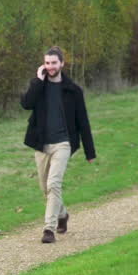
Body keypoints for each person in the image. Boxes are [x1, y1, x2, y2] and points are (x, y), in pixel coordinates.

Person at [20, 46, 96, 244]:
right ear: (43, 65)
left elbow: (83, 122)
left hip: (63, 143)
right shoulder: (38, 86)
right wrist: (37, 80)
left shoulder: (73, 91)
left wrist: (90, 151)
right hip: (41, 144)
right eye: (47, 63)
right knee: (46, 188)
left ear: (62, 63)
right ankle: (62, 214)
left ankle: (49, 229)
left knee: (54, 184)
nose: (50, 66)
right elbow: (26, 104)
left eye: (54, 63)